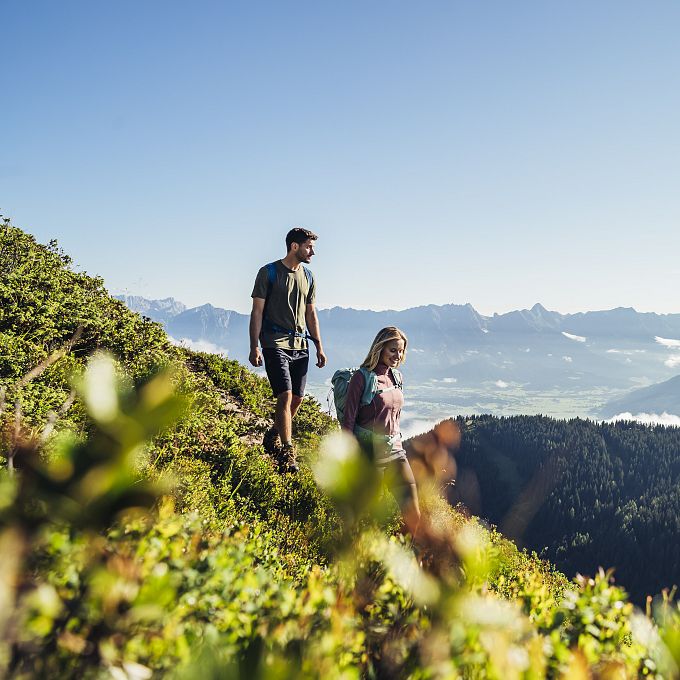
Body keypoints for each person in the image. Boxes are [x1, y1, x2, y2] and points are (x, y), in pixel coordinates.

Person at [249, 227, 327, 472]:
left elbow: (311, 313)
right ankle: (287, 452)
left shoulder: (309, 277)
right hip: (274, 343)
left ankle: (273, 433)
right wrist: (254, 346)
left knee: (297, 399)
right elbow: (257, 312)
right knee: (284, 395)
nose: (312, 252)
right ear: (295, 246)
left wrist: (319, 346)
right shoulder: (268, 273)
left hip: (301, 345)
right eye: (309, 247)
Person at [342, 326, 421, 525]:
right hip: (370, 455)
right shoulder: (362, 378)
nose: (397, 355)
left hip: (396, 451)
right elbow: (348, 422)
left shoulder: (396, 377)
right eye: (393, 350)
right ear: (380, 348)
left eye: (401, 351)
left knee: (414, 516)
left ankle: (410, 556)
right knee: (367, 518)